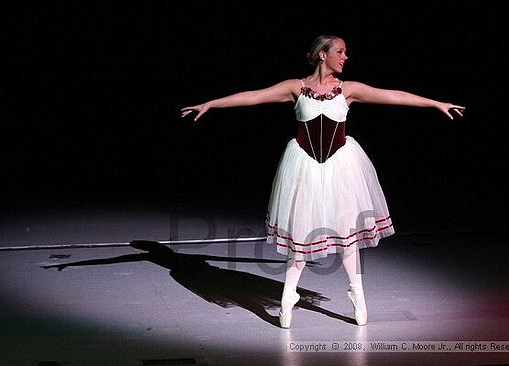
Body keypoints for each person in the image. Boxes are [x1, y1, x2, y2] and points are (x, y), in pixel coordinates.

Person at [181, 34, 465, 328]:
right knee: (300, 240)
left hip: (340, 167)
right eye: (340, 52)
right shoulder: (295, 88)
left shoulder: (349, 90)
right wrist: (211, 103)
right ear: (322, 55)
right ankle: (288, 297)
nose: (345, 57)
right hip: (304, 167)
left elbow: (393, 95)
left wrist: (435, 103)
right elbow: (254, 96)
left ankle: (357, 293)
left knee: (347, 238)